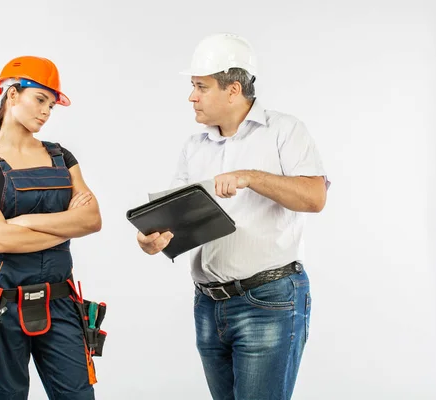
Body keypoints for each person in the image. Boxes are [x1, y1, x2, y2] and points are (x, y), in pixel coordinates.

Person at [136, 33, 329, 400]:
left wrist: (250, 177)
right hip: (208, 305)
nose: (192, 96)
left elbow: (314, 197)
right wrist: (153, 239)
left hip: (268, 302)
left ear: (233, 89)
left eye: (200, 87)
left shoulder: (284, 131)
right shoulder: (194, 147)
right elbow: (174, 220)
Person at [0, 55, 102, 400]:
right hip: (0, 305)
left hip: (60, 301)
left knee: (78, 394)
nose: (46, 112)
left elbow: (92, 220)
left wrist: (25, 222)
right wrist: (65, 226)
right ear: (12, 95)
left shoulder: (62, 157)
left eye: (51, 106)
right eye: (40, 99)